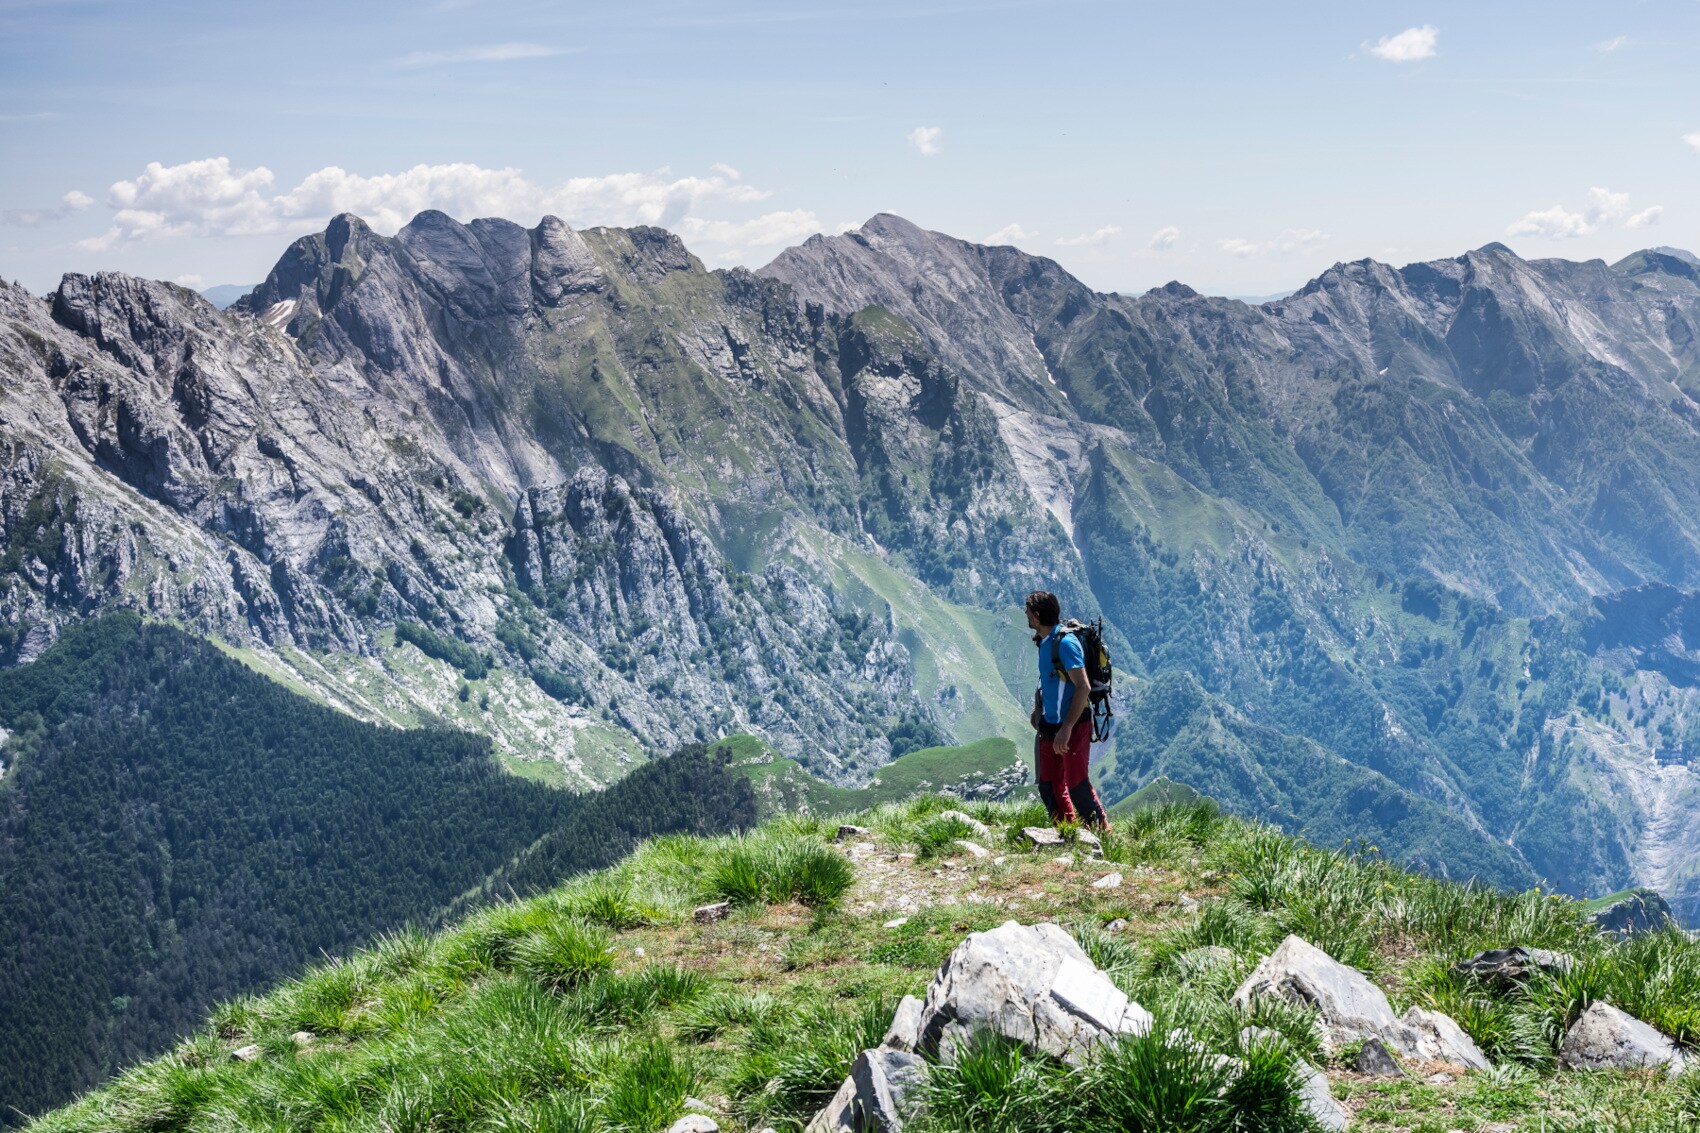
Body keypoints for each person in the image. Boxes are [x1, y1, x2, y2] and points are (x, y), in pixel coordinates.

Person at [1025, 590, 1111, 829]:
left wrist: (1066, 729)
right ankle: (1067, 834)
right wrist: (1038, 708)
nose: (1026, 614)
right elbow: (1052, 678)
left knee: (1077, 786)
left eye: (1028, 610)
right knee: (1048, 785)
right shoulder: (1045, 641)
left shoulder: (1066, 643)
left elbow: (1082, 687)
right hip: (1050, 724)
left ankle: (1103, 838)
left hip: (1073, 726)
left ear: (1037, 615)